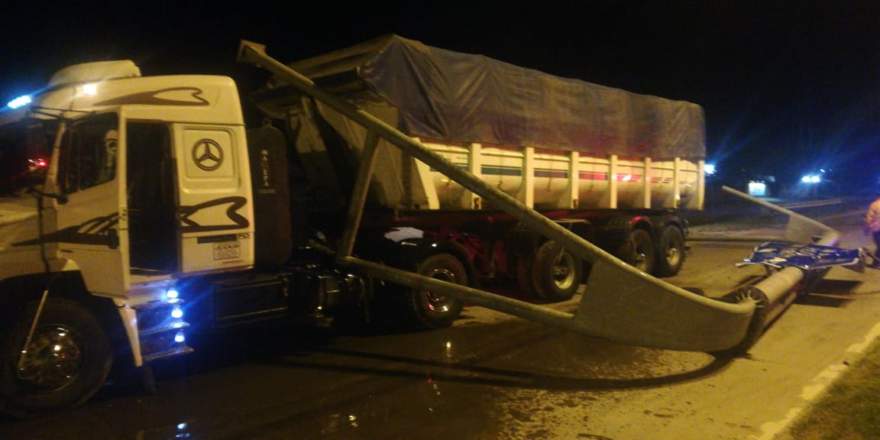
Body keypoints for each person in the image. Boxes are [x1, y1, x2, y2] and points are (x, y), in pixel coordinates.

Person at [865, 196, 880, 266]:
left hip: (876, 229)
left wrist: (868, 228)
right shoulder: (875, 205)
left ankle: (876, 263)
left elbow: (869, 218)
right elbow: (870, 218)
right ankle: (876, 263)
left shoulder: (874, 205)